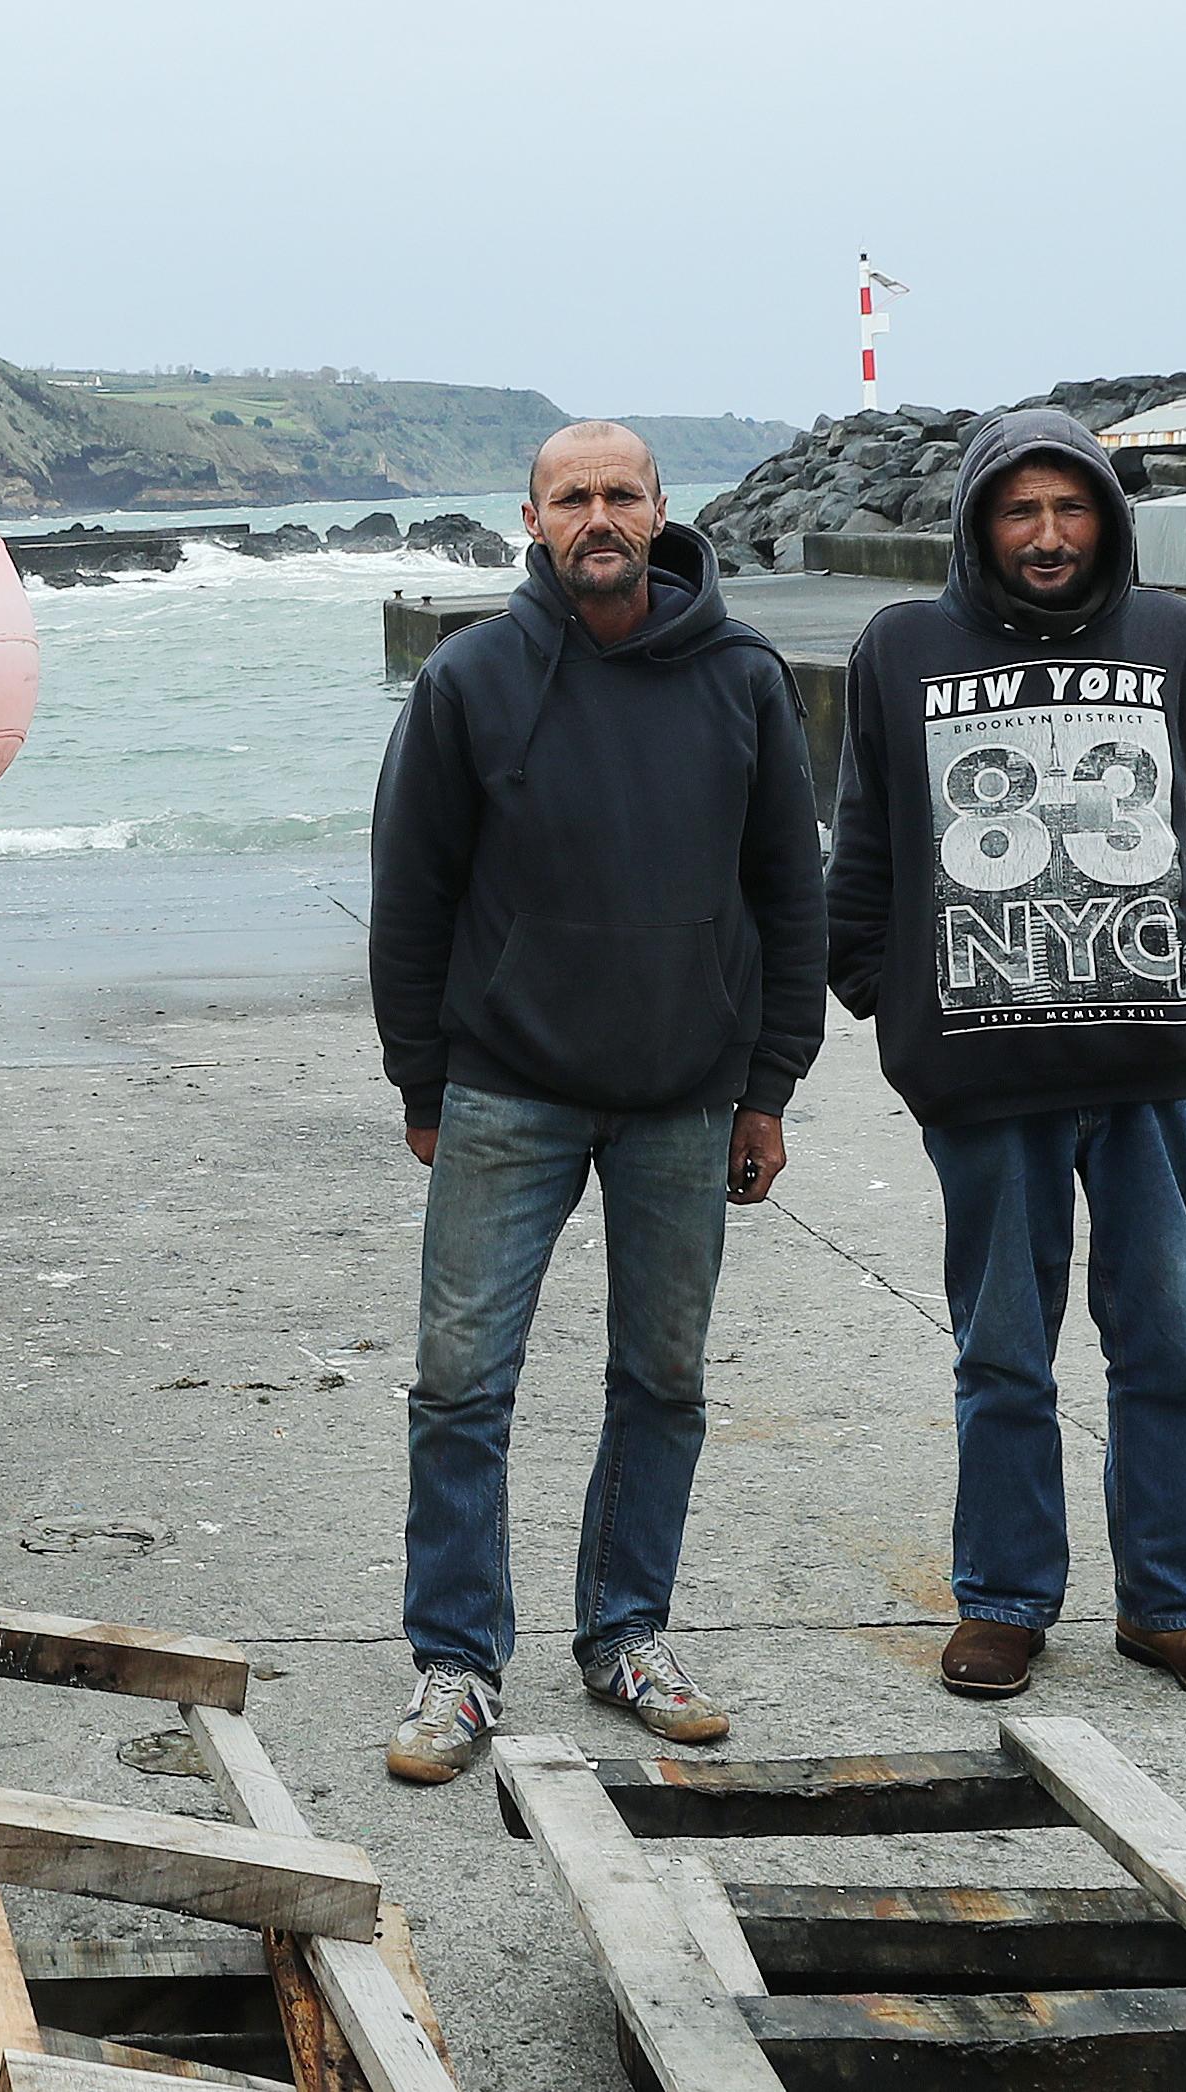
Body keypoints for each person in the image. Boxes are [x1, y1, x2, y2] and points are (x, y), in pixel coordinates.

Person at [367, 423, 826, 1784]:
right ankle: (455, 1664)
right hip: (505, 1092)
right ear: (531, 517)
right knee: (460, 1387)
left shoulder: (741, 679)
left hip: (687, 1099)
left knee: (662, 1382)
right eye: (572, 498)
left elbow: (786, 898)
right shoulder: (469, 680)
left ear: (662, 511)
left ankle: (626, 1634)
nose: (598, 518)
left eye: (622, 494)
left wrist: (769, 1087)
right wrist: (420, 1076)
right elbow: (414, 894)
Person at [826, 408, 1186, 1711]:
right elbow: (861, 848)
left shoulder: (1174, 643)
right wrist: (891, 1001)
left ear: (1105, 518)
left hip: (1154, 1074)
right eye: (1019, 512)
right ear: (981, 523)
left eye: (1069, 509)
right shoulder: (901, 648)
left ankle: (1176, 1607)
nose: (1046, 535)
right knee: (1002, 1354)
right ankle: (1007, 1600)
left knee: (1168, 1351)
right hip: (983, 1084)